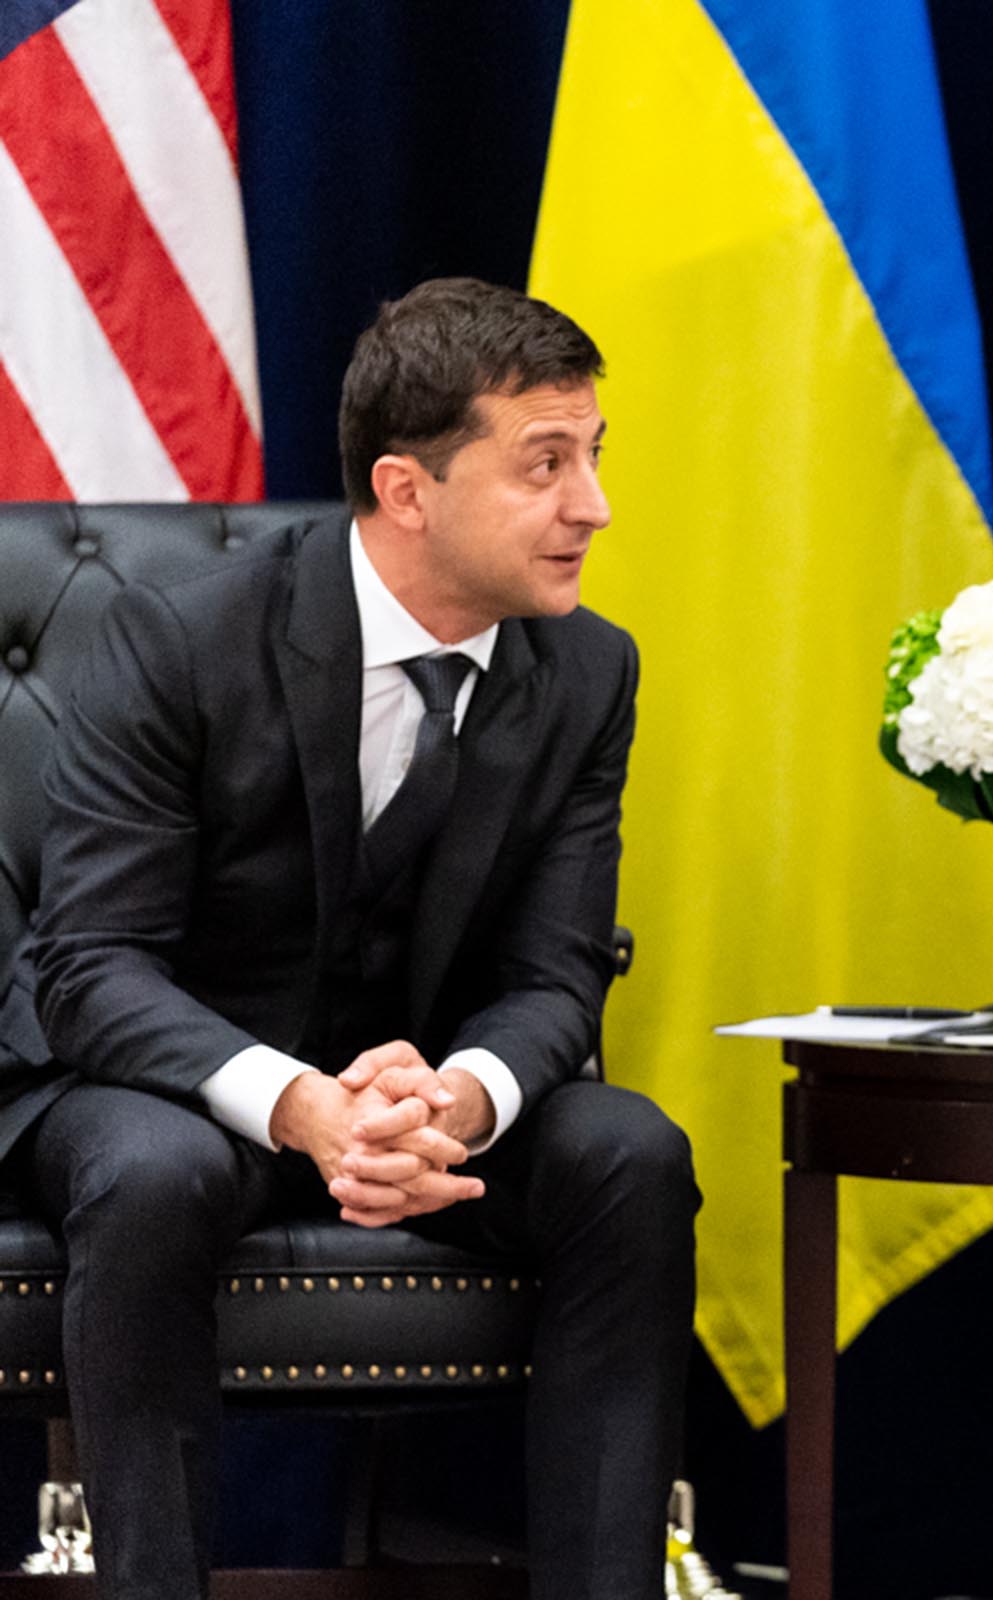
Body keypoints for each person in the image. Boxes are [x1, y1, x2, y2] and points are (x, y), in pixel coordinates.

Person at [0, 277, 698, 1600]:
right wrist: (306, 1107)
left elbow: (554, 974)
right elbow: (90, 967)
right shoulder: (182, 638)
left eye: (593, 457)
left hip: (415, 1099)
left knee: (629, 1155)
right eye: (544, 465)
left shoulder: (588, 672)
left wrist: (461, 1097)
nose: (592, 506)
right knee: (150, 1173)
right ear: (408, 489)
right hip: (170, 1086)